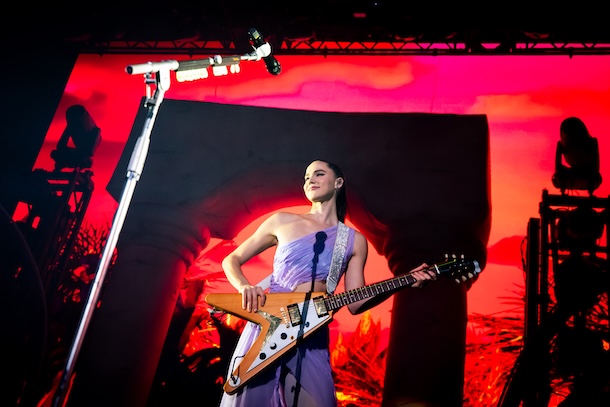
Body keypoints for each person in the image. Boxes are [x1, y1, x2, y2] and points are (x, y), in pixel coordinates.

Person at [218, 159, 437, 407]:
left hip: (313, 334)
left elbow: (356, 302)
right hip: (270, 324)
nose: (310, 180)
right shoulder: (281, 221)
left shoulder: (353, 240)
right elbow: (232, 260)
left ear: (338, 183)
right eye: (306, 176)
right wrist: (244, 286)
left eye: (319, 174)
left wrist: (404, 282)